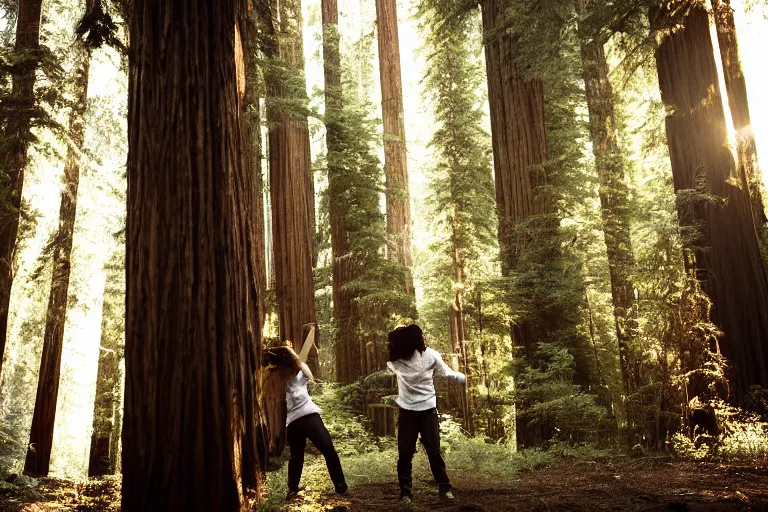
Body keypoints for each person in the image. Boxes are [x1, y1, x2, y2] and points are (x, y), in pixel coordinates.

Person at [386, 324, 466, 506]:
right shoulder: (397, 360)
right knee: (405, 453)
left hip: (427, 410)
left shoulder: (431, 356)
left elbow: (445, 372)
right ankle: (405, 492)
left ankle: (445, 489)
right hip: (407, 411)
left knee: (434, 452)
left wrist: (458, 376)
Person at [263, 345, 348, 501]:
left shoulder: (300, 370)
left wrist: (298, 365)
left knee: (328, 449)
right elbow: (269, 392)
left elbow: (311, 377)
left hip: (309, 415)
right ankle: (292, 490)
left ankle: (341, 487)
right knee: (296, 456)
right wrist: (275, 372)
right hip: (292, 421)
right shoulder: (275, 377)